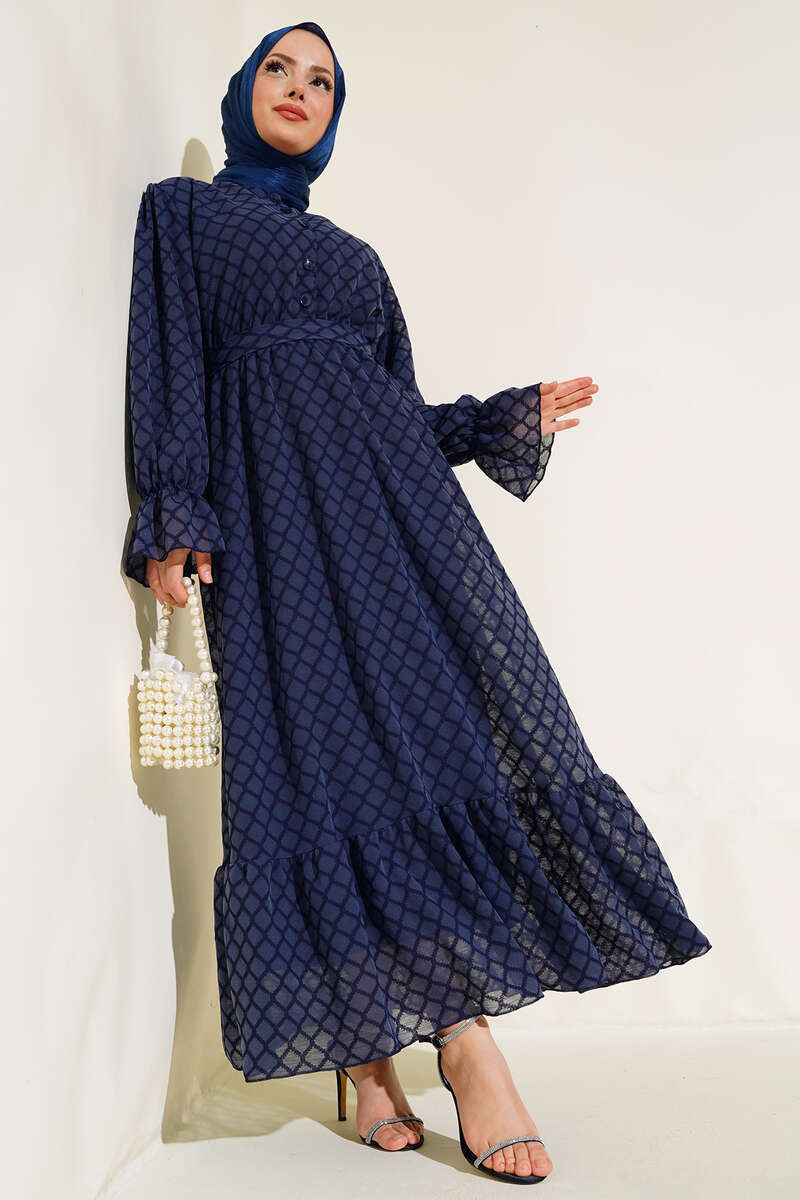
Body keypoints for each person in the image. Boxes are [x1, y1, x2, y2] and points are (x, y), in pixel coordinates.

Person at [123, 20, 712, 1185]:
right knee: (313, 771)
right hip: (272, 533)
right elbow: (169, 367)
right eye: (279, 69)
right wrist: (175, 511)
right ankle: (369, 1052)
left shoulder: (356, 260)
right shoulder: (182, 216)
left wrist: (496, 420)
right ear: (243, 90)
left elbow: (392, 414)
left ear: (334, 119)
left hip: (397, 534)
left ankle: (461, 1036)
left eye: (322, 82)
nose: (300, 90)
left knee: (429, 756)